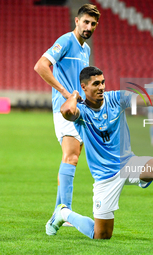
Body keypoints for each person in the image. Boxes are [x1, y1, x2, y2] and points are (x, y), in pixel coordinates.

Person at [46, 66, 153, 246]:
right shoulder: (81, 112)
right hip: (105, 177)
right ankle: (63, 213)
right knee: (101, 234)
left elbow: (148, 100)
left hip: (128, 163)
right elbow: (66, 111)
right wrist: (72, 96)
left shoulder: (116, 98)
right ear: (84, 87)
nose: (101, 87)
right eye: (96, 84)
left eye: (103, 82)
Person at [34, 5, 101, 214]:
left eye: (93, 24)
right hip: (65, 109)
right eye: (86, 22)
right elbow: (41, 66)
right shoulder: (65, 41)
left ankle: (59, 212)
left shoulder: (86, 49)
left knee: (72, 158)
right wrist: (65, 93)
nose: (89, 27)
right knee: (70, 156)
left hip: (79, 110)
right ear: (77, 21)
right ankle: (65, 212)